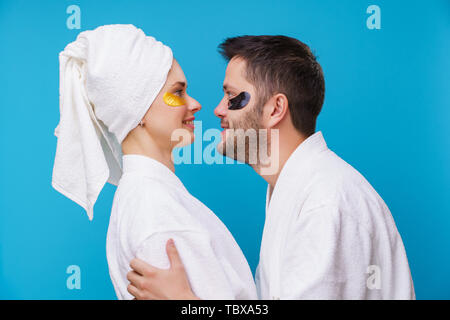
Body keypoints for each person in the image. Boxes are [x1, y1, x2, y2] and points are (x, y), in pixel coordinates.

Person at [127, 35, 415, 300]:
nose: (218, 109)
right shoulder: (295, 191)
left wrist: (184, 302)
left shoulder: (324, 202)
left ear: (275, 109)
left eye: (232, 96)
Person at [52, 25, 257, 300]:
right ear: (136, 110)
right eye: (178, 92)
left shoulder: (153, 199)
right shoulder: (156, 211)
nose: (195, 104)